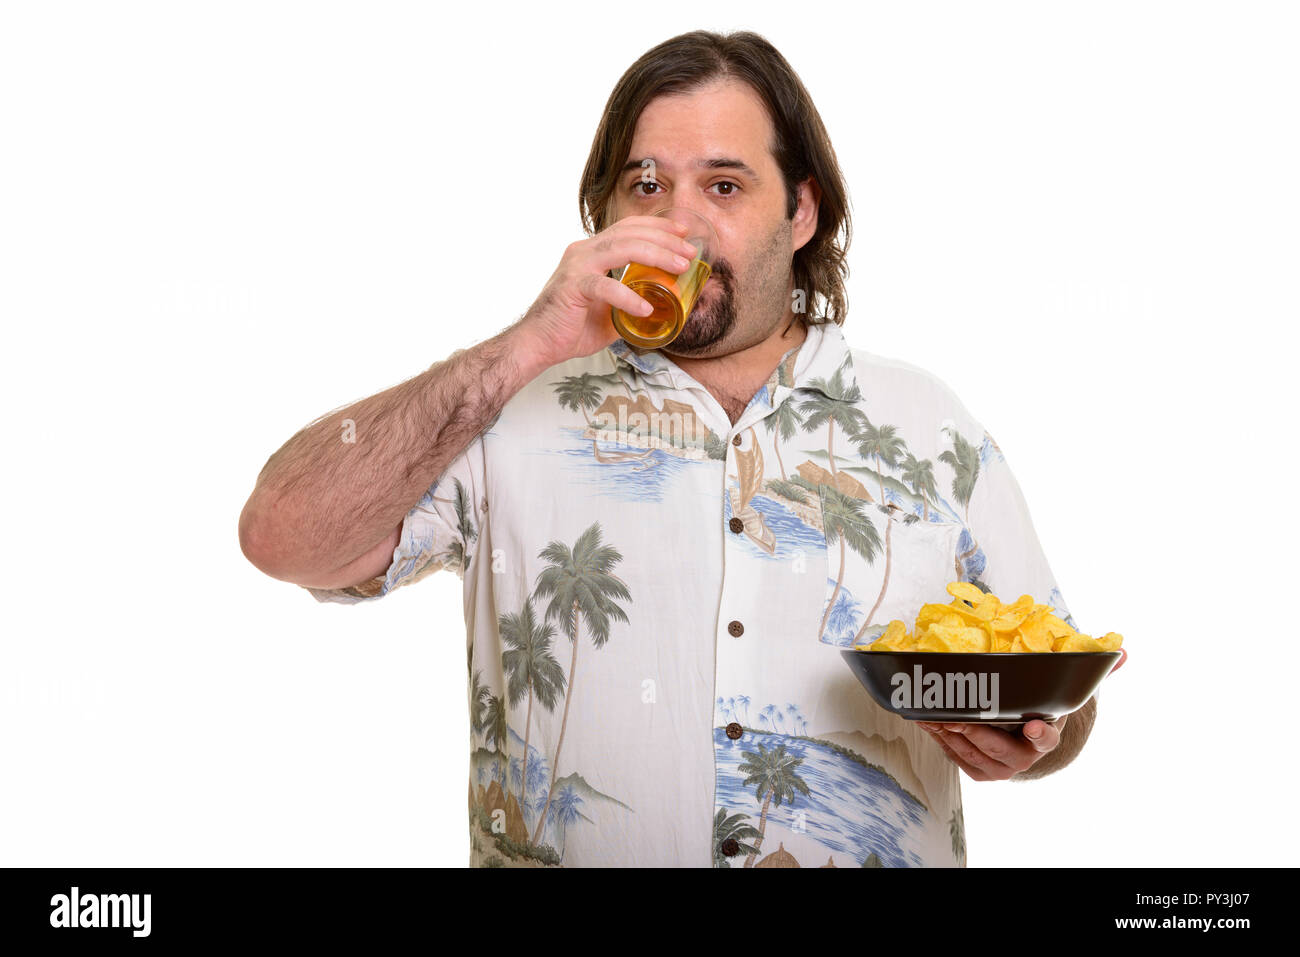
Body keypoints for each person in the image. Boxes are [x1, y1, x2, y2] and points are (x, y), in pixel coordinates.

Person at [238, 30, 1118, 868]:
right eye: (646, 185)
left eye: (724, 186)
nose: (679, 225)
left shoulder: (929, 421)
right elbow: (282, 535)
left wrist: (1029, 743)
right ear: (605, 213)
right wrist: (522, 349)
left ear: (802, 210)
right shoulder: (507, 411)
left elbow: (1058, 694)